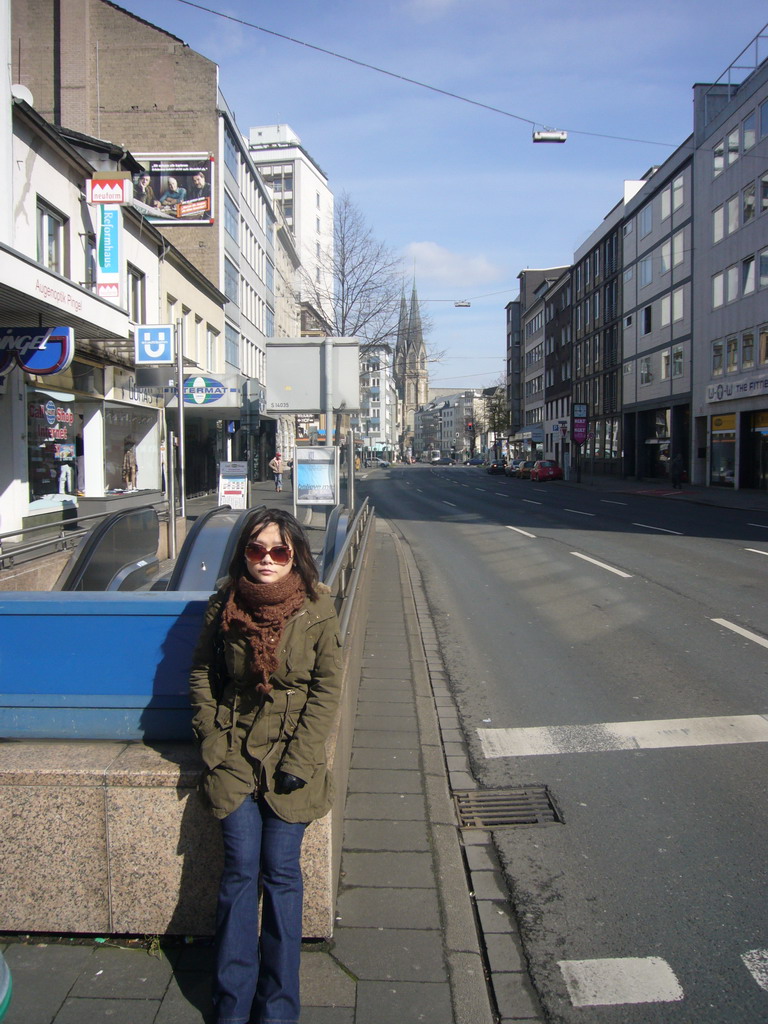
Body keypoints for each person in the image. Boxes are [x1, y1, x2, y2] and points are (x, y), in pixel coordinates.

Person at [189, 509, 342, 1024]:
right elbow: (202, 674)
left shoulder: (318, 608)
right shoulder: (224, 603)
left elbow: (326, 690)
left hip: (289, 762)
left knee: (280, 874)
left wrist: (301, 759)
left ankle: (277, 1009)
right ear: (244, 554)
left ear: (294, 553)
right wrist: (212, 742)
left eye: (279, 551)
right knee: (238, 873)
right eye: (257, 550)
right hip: (234, 758)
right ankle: (231, 1005)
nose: (268, 561)